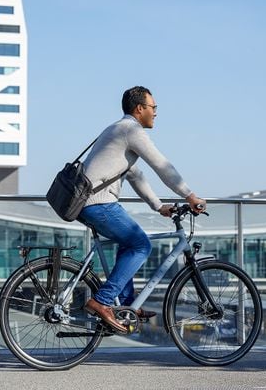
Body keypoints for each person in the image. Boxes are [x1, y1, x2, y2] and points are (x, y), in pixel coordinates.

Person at [79, 85, 206, 333]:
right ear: (140, 109)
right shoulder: (131, 130)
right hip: (99, 203)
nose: (156, 112)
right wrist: (190, 196)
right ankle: (103, 301)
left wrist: (158, 206)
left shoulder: (118, 129)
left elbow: (135, 175)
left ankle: (126, 305)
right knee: (141, 245)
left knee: (130, 243)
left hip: (91, 202)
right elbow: (161, 165)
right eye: (153, 107)